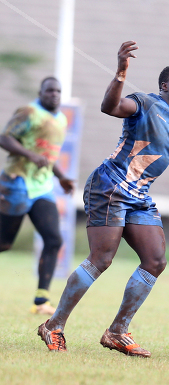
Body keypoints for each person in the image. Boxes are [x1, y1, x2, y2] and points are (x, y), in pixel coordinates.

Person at [36, 41, 169, 357]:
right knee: (102, 259)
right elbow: (109, 106)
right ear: (164, 86)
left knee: (155, 260)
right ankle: (53, 325)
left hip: (139, 196)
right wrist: (121, 71)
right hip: (109, 186)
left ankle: (117, 331)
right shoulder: (145, 103)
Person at [0, 77, 75, 315]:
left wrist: (61, 176)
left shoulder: (61, 119)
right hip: (17, 183)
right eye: (49, 91)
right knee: (4, 244)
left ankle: (41, 301)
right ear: (40, 92)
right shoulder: (29, 112)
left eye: (58, 91)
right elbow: (4, 138)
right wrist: (29, 155)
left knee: (53, 240)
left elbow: (48, 155)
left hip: (42, 188)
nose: (54, 95)